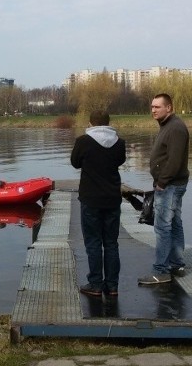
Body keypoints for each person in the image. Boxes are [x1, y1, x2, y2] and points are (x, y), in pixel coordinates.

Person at [70, 110, 126, 297]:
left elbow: (75, 163)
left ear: (90, 123)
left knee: (93, 242)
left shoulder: (83, 142)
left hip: (90, 198)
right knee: (111, 243)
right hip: (112, 199)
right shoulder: (119, 143)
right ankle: (112, 286)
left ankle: (95, 284)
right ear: (108, 123)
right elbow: (120, 160)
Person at [138, 93, 190, 285]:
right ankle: (176, 264)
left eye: (157, 107)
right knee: (174, 223)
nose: (153, 110)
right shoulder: (168, 126)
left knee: (162, 227)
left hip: (169, 186)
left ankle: (161, 271)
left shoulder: (175, 128)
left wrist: (161, 183)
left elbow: (174, 161)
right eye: (152, 107)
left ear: (169, 108)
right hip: (172, 184)